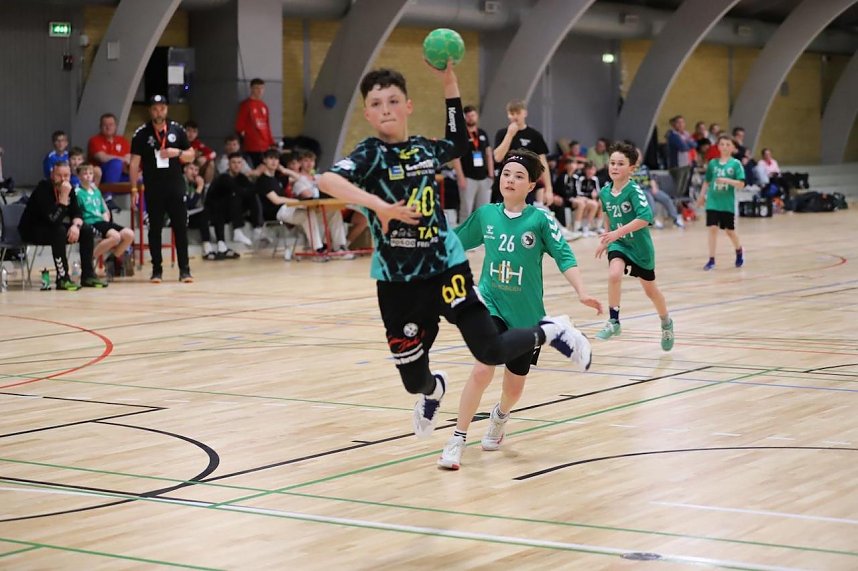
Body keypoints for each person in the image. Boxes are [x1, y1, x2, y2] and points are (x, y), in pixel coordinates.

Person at [319, 64, 591, 438]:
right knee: (413, 379)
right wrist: (378, 206)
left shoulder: (425, 150)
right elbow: (327, 180)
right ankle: (433, 392)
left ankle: (551, 329)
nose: (386, 109)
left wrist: (449, 81)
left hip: (445, 268)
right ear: (367, 113)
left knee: (490, 350)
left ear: (408, 106)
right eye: (377, 103)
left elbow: (460, 142)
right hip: (398, 283)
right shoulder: (369, 154)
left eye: (394, 101)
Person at [438, 149, 602, 469]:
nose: (510, 180)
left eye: (519, 176)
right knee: (483, 366)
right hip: (490, 301)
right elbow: (454, 241)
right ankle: (456, 438)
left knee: (513, 389)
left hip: (525, 315)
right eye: (506, 174)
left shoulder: (540, 220)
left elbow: (564, 256)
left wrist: (582, 292)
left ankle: (500, 417)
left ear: (531, 186)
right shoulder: (486, 214)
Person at [594, 142, 674, 352]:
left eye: (621, 163)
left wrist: (615, 233)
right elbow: (607, 216)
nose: (615, 167)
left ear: (631, 168)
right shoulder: (604, 192)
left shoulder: (634, 191)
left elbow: (646, 217)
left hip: (639, 247)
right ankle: (614, 321)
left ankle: (666, 322)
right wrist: (607, 239)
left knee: (651, 291)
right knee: (614, 275)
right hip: (619, 243)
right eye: (612, 163)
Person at [129, 94, 196, 283]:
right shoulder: (141, 133)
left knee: (180, 227)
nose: (159, 111)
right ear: (150, 111)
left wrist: (178, 152)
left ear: (166, 109)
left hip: (175, 186)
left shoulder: (177, 129)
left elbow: (191, 154)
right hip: (154, 187)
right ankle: (156, 270)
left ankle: (185, 270)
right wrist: (134, 189)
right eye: (155, 108)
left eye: (162, 108)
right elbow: (134, 163)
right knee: (155, 228)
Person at [18, 162, 105, 290]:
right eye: (59, 175)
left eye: (66, 176)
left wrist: (76, 226)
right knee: (59, 231)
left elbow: (77, 213)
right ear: (53, 175)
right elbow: (53, 219)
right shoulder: (43, 188)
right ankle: (62, 278)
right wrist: (63, 197)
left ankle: (88, 275)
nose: (63, 179)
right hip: (32, 229)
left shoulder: (69, 189)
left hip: (52, 227)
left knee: (85, 229)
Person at [74, 164, 134, 274]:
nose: (88, 176)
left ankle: (112, 259)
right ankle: (87, 260)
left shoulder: (96, 192)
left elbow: (103, 210)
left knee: (129, 234)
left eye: (90, 173)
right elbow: (77, 212)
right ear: (79, 176)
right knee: (115, 237)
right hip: (90, 222)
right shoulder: (77, 193)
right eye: (85, 173)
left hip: (102, 221)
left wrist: (106, 217)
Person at [697, 134, 745, 271]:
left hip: (727, 203)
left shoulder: (736, 164)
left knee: (730, 231)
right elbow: (707, 181)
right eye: (722, 144)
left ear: (733, 148)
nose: (724, 147)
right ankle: (711, 259)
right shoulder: (713, 163)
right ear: (718, 146)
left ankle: (739, 250)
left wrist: (726, 180)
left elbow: (741, 184)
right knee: (712, 228)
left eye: (728, 144)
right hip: (713, 201)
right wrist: (702, 196)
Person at [492, 99, 553, 205]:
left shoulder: (534, 135)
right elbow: (497, 157)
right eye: (512, 113)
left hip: (525, 185)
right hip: (504, 184)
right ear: (508, 115)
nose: (515, 116)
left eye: (518, 113)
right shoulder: (502, 133)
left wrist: (549, 189)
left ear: (525, 113)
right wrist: (509, 135)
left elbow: (543, 162)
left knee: (523, 217)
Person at [452, 105, 493, 222]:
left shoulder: (482, 133)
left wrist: (491, 175)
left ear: (477, 116)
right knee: (466, 210)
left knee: (484, 211)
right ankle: (463, 238)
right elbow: (456, 157)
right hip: (468, 178)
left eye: (473, 115)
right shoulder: (461, 135)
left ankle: (481, 237)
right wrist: (461, 178)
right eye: (468, 116)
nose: (471, 118)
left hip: (484, 178)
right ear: (465, 118)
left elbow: (488, 153)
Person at [631, 147, 684, 229]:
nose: (639, 157)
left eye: (640, 155)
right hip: (639, 191)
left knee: (665, 198)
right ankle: (652, 221)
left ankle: (676, 219)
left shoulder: (644, 167)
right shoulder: (630, 169)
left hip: (649, 188)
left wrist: (654, 187)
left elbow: (651, 178)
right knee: (649, 198)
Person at [234, 78, 275, 166]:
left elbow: (267, 126)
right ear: (251, 89)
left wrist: (271, 142)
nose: (260, 91)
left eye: (262, 88)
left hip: (265, 145)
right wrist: (248, 136)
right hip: (252, 146)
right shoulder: (246, 105)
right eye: (257, 88)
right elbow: (239, 126)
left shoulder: (264, 106)